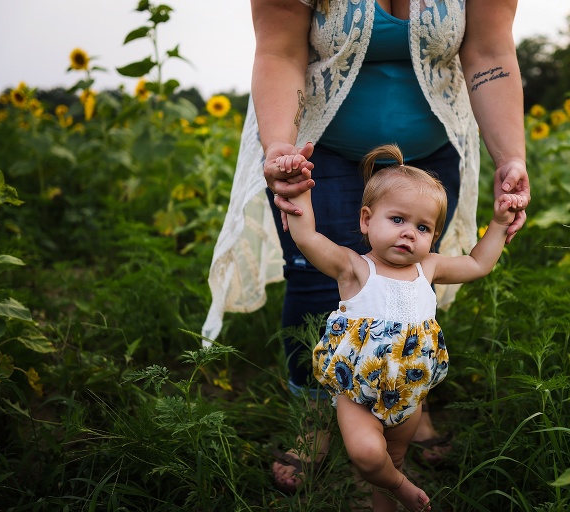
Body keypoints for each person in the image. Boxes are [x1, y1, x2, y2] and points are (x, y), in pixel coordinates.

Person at [202, 0, 530, 494]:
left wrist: (511, 160)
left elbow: (489, 52)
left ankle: (407, 402)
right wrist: (280, 150)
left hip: (434, 147)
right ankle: (316, 413)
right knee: (317, 281)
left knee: (413, 279)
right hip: (319, 146)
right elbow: (279, 51)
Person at [280, 143, 524, 512]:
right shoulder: (355, 268)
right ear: (366, 220)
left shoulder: (430, 269)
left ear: (433, 237)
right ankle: (402, 487)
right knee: (366, 454)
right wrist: (299, 192)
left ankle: (391, 494)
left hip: (410, 390)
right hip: (358, 390)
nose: (409, 233)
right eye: (397, 220)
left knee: (393, 457)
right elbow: (308, 238)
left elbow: (477, 264)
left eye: (422, 227)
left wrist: (500, 224)